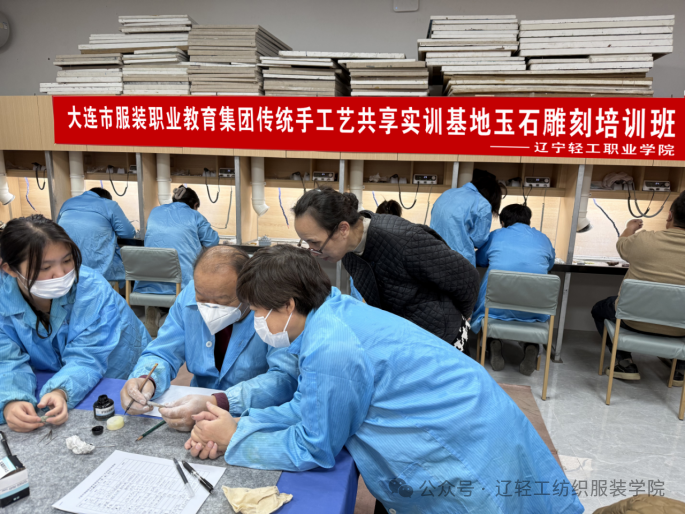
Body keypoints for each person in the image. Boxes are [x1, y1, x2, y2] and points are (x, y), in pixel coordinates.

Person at [182, 246, 583, 515]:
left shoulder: (331, 345)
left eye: (257, 311)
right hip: (476, 416)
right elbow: (310, 404)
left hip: (462, 444)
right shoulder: (329, 311)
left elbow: (315, 445)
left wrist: (236, 437)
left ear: (287, 304)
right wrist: (238, 418)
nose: (256, 321)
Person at [120, 246, 298, 431]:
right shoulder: (189, 296)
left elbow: (284, 377)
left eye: (223, 301)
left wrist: (220, 402)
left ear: (248, 291)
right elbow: (163, 352)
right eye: (202, 299)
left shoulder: (271, 311)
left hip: (252, 416)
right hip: (194, 408)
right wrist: (147, 380)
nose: (210, 309)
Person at [0, 215, 150, 433]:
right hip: (59, 374)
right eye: (45, 268)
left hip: (115, 368)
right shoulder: (3, 301)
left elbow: (88, 357)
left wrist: (61, 390)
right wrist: (12, 399)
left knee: (118, 421)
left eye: (67, 260)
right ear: (10, 269)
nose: (61, 274)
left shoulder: (90, 289)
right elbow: (5, 360)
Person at [293, 187, 480, 352]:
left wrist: (460, 318)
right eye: (306, 243)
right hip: (407, 340)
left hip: (442, 339)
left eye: (315, 242)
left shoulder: (402, 240)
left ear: (343, 229)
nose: (313, 251)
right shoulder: (348, 251)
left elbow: (467, 278)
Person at [592, 191, 685, 384]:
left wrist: (630, 227)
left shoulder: (644, 240)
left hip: (633, 320)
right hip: (680, 327)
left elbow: (622, 244)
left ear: (670, 215)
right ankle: (681, 368)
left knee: (599, 309)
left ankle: (624, 362)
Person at [472, 204, 556, 376]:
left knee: (486, 307)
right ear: (528, 221)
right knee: (530, 315)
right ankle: (531, 345)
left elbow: (480, 259)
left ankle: (492, 341)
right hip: (534, 309)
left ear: (503, 222)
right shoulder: (543, 238)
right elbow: (549, 264)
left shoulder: (496, 235)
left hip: (495, 307)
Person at [134, 186, 219, 336]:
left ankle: (154, 309)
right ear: (195, 205)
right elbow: (212, 242)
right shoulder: (194, 215)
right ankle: (183, 320)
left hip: (150, 281)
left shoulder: (155, 212)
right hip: (182, 280)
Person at [56, 187, 135, 288]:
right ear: (106, 198)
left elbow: (57, 228)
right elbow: (129, 233)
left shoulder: (67, 203)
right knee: (126, 265)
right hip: (98, 271)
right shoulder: (109, 204)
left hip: (67, 270)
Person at [430, 169, 502, 266]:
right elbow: (479, 239)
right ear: (492, 196)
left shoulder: (447, 193)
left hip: (433, 255)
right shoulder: (483, 203)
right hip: (459, 261)